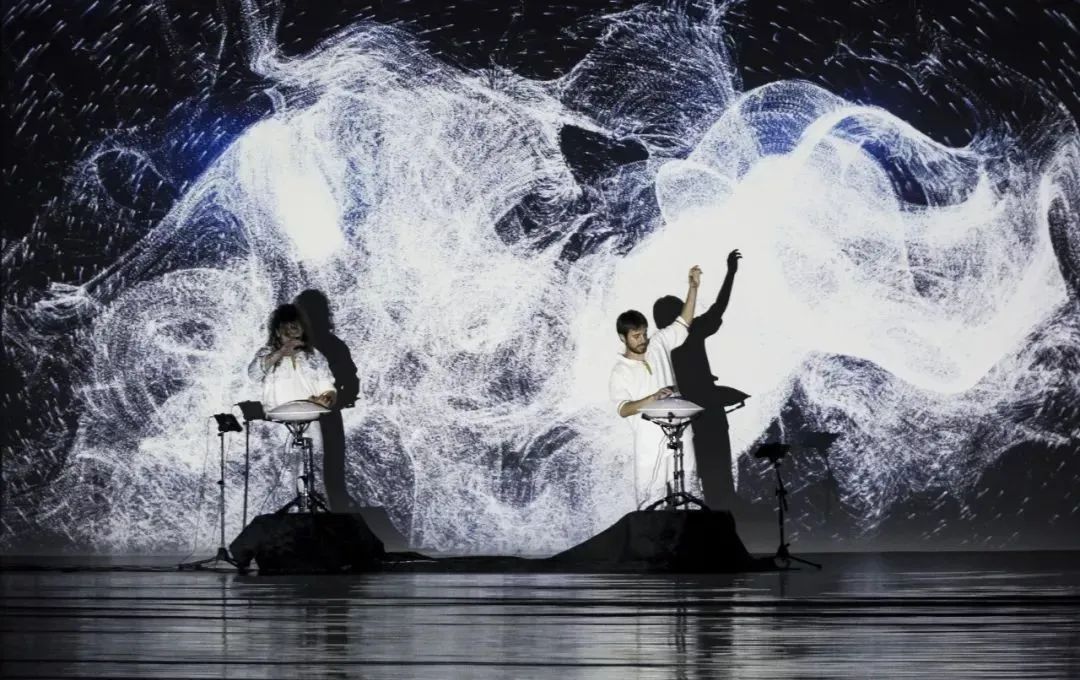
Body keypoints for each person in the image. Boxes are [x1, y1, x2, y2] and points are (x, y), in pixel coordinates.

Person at [609, 265, 701, 508]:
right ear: (623, 338)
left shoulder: (658, 343)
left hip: (681, 431)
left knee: (690, 494)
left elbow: (683, 322)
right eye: (636, 336)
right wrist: (653, 398)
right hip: (649, 442)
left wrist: (693, 288)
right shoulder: (620, 371)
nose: (642, 340)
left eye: (643, 334)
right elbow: (623, 409)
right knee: (651, 502)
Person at [667, 249, 744, 509]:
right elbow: (719, 307)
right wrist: (731, 273)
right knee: (719, 465)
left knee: (707, 469)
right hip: (708, 408)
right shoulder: (692, 332)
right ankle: (724, 506)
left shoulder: (662, 343)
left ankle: (714, 506)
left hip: (690, 414)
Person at [247, 303, 337, 409]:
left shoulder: (314, 355)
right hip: (276, 418)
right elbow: (253, 375)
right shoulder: (266, 353)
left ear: (302, 330)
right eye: (286, 331)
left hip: (311, 416)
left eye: (295, 329)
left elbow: (329, 389)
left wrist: (326, 400)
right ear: (277, 332)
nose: (291, 334)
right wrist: (280, 352)